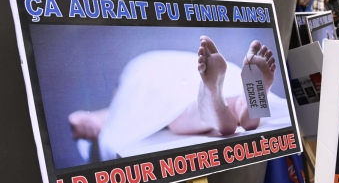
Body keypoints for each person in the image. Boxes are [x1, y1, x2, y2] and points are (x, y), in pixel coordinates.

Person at [69, 36, 280, 161]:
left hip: (156, 78)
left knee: (174, 107)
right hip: (182, 73)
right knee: (182, 104)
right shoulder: (117, 115)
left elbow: (100, 119)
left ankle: (217, 104)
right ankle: (241, 103)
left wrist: (95, 120)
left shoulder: (125, 96)